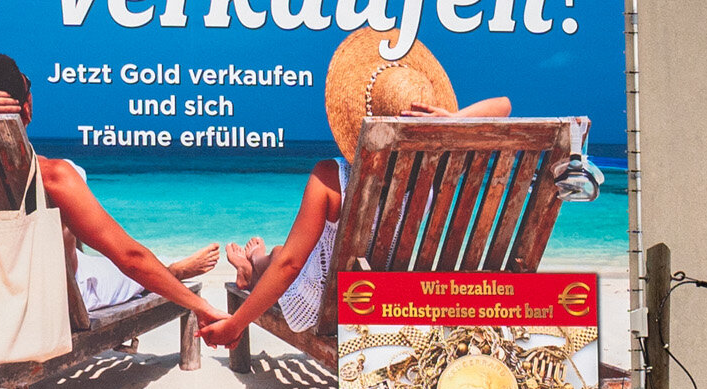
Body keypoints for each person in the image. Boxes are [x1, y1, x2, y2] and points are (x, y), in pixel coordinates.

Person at [201, 30, 510, 351]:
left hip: (330, 306)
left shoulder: (331, 177)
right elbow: (504, 105)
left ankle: (252, 265)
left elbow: (291, 266)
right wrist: (453, 122)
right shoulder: (435, 175)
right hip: (390, 299)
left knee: (281, 255)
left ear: (363, 117)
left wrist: (236, 324)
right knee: (281, 253)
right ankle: (255, 260)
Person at [0, 54, 221, 323]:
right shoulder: (52, 176)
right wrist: (202, 306)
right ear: (27, 109)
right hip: (50, 307)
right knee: (122, 272)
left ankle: (169, 268)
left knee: (94, 258)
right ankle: (174, 270)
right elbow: (130, 258)